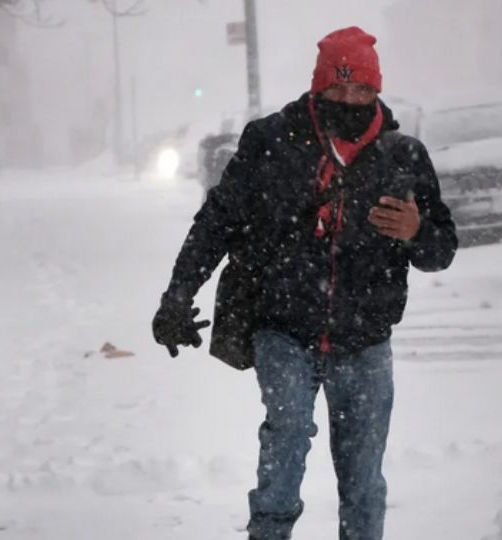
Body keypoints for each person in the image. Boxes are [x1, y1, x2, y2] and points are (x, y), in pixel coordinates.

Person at [152, 27, 457, 540]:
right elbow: (218, 221)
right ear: (318, 88)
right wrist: (178, 295)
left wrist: (416, 231)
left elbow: (441, 248)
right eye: (338, 89)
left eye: (361, 89)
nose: (350, 99)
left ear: (376, 91)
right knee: (285, 445)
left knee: (362, 476)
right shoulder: (272, 141)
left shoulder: (401, 155)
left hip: (365, 340)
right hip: (284, 331)